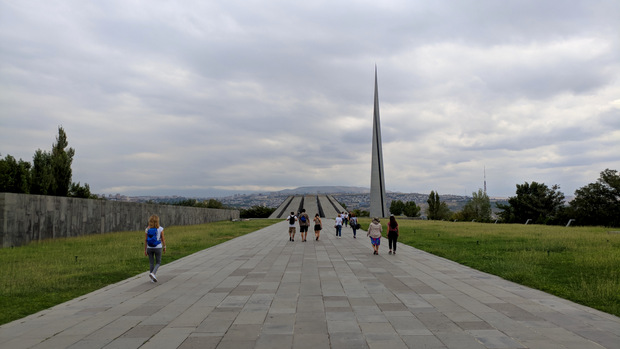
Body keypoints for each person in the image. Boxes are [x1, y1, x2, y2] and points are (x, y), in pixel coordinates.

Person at [144, 214, 166, 282]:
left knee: (151, 263)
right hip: (158, 247)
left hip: (149, 247)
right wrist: (164, 246)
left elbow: (145, 240)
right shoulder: (160, 229)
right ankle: (153, 273)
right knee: (158, 262)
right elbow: (163, 239)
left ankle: (152, 279)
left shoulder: (147, 229)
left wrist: (145, 250)